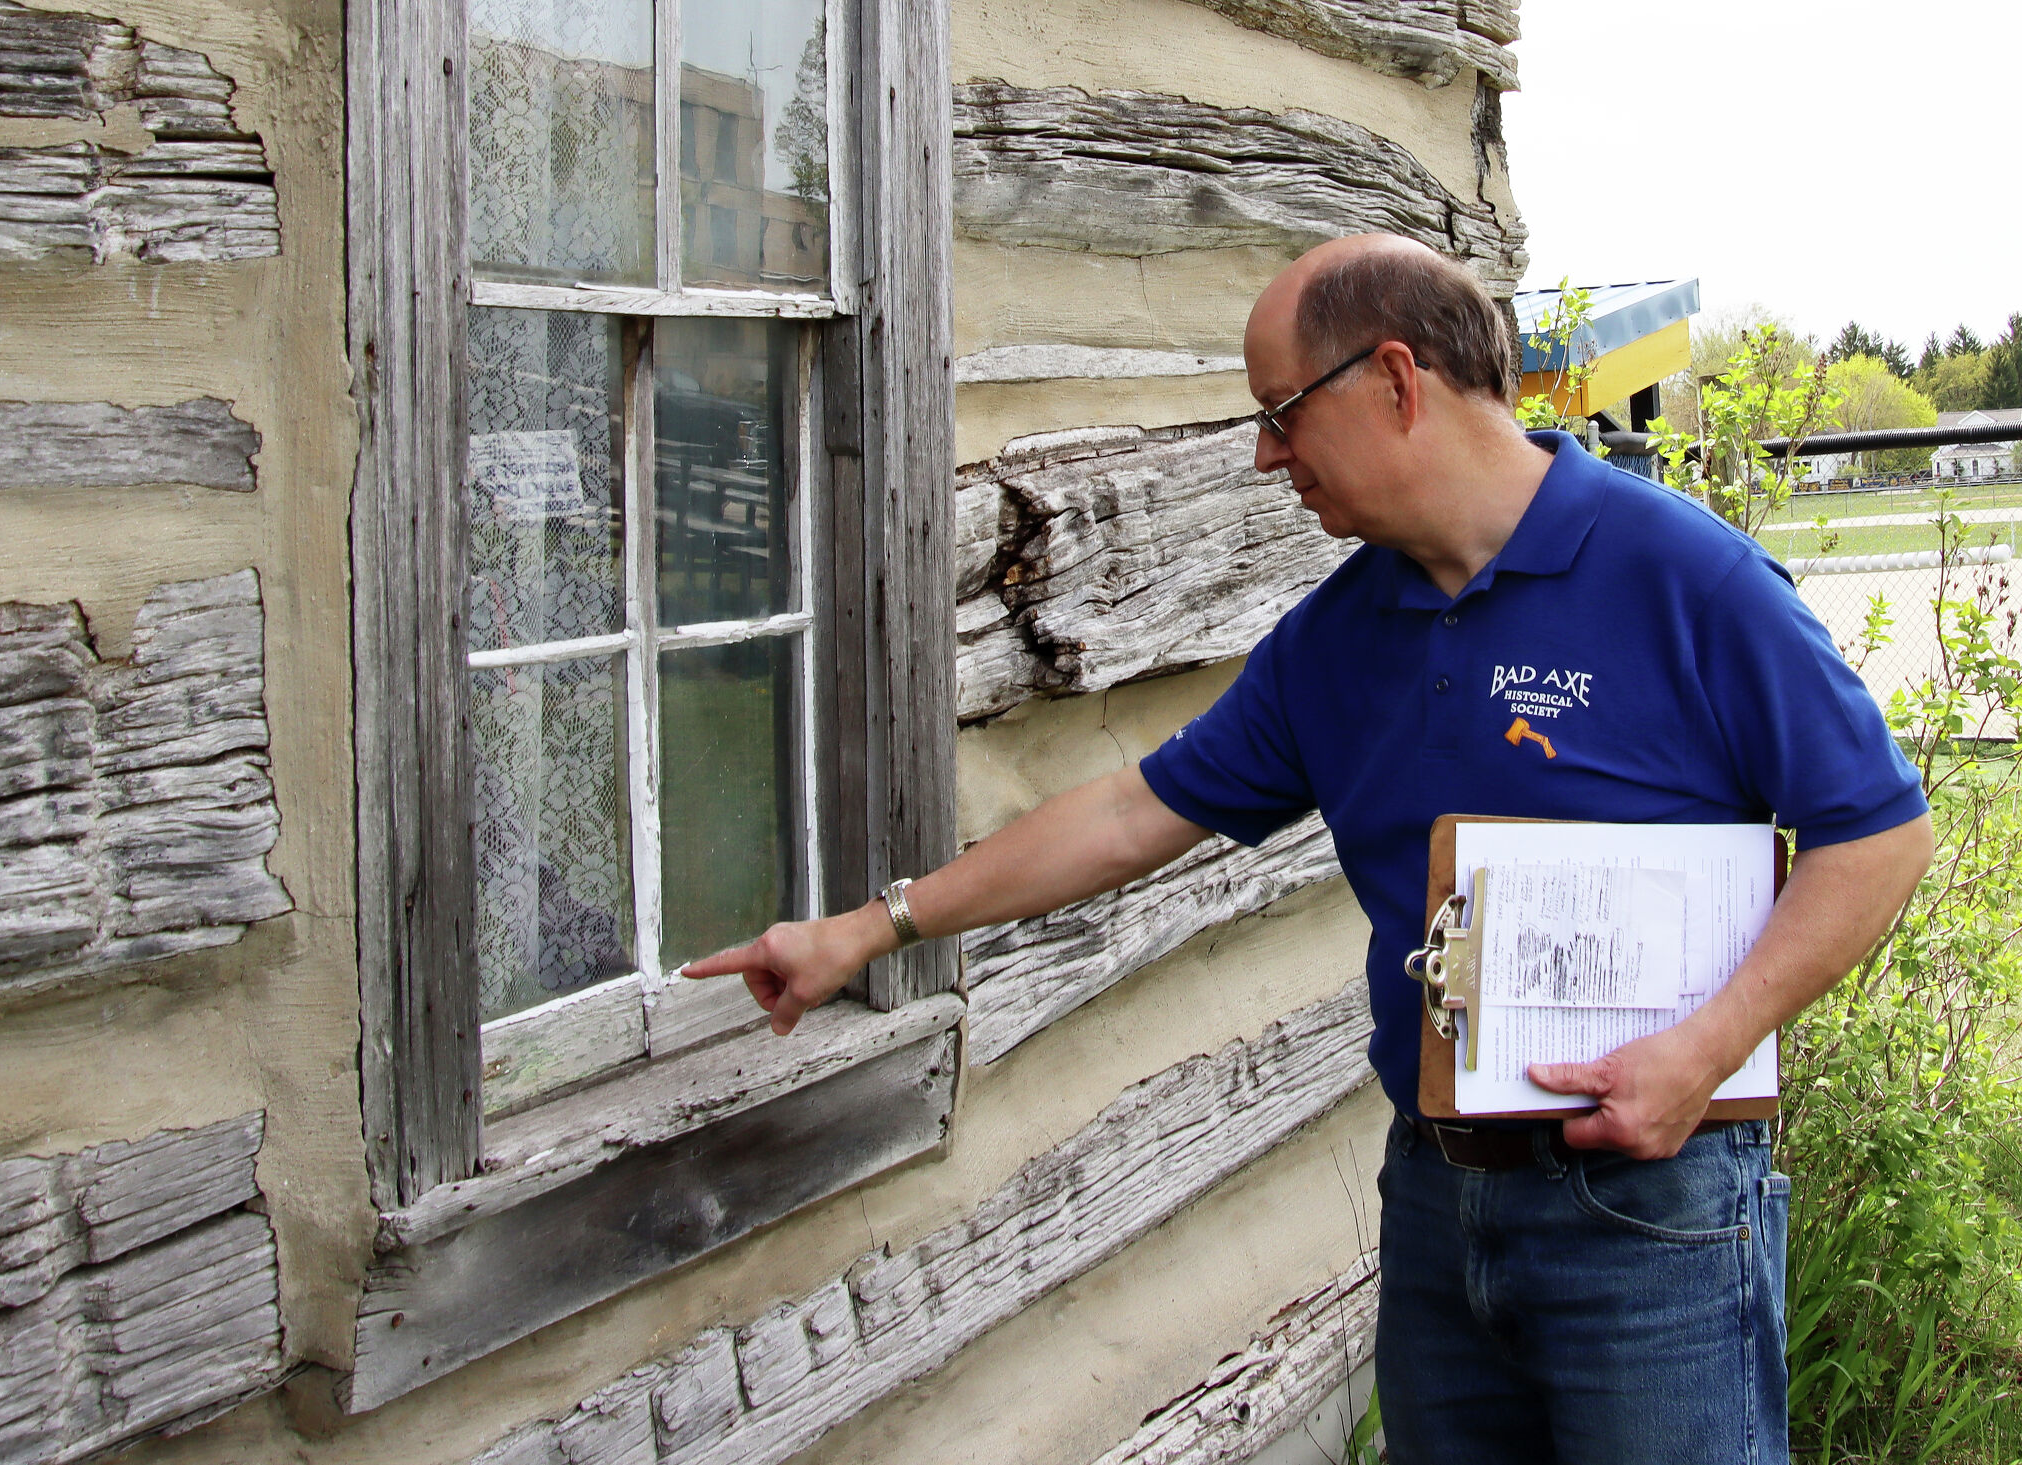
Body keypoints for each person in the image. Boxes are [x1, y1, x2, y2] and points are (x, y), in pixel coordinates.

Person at [683, 233, 1934, 1463]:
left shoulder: (1681, 577)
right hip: (1438, 1204)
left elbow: (1876, 831)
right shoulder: (1336, 636)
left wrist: (1703, 1051)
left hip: (1649, 1205)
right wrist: (869, 926)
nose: (1264, 451)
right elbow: (1129, 813)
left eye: (1280, 410)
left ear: (1396, 380)